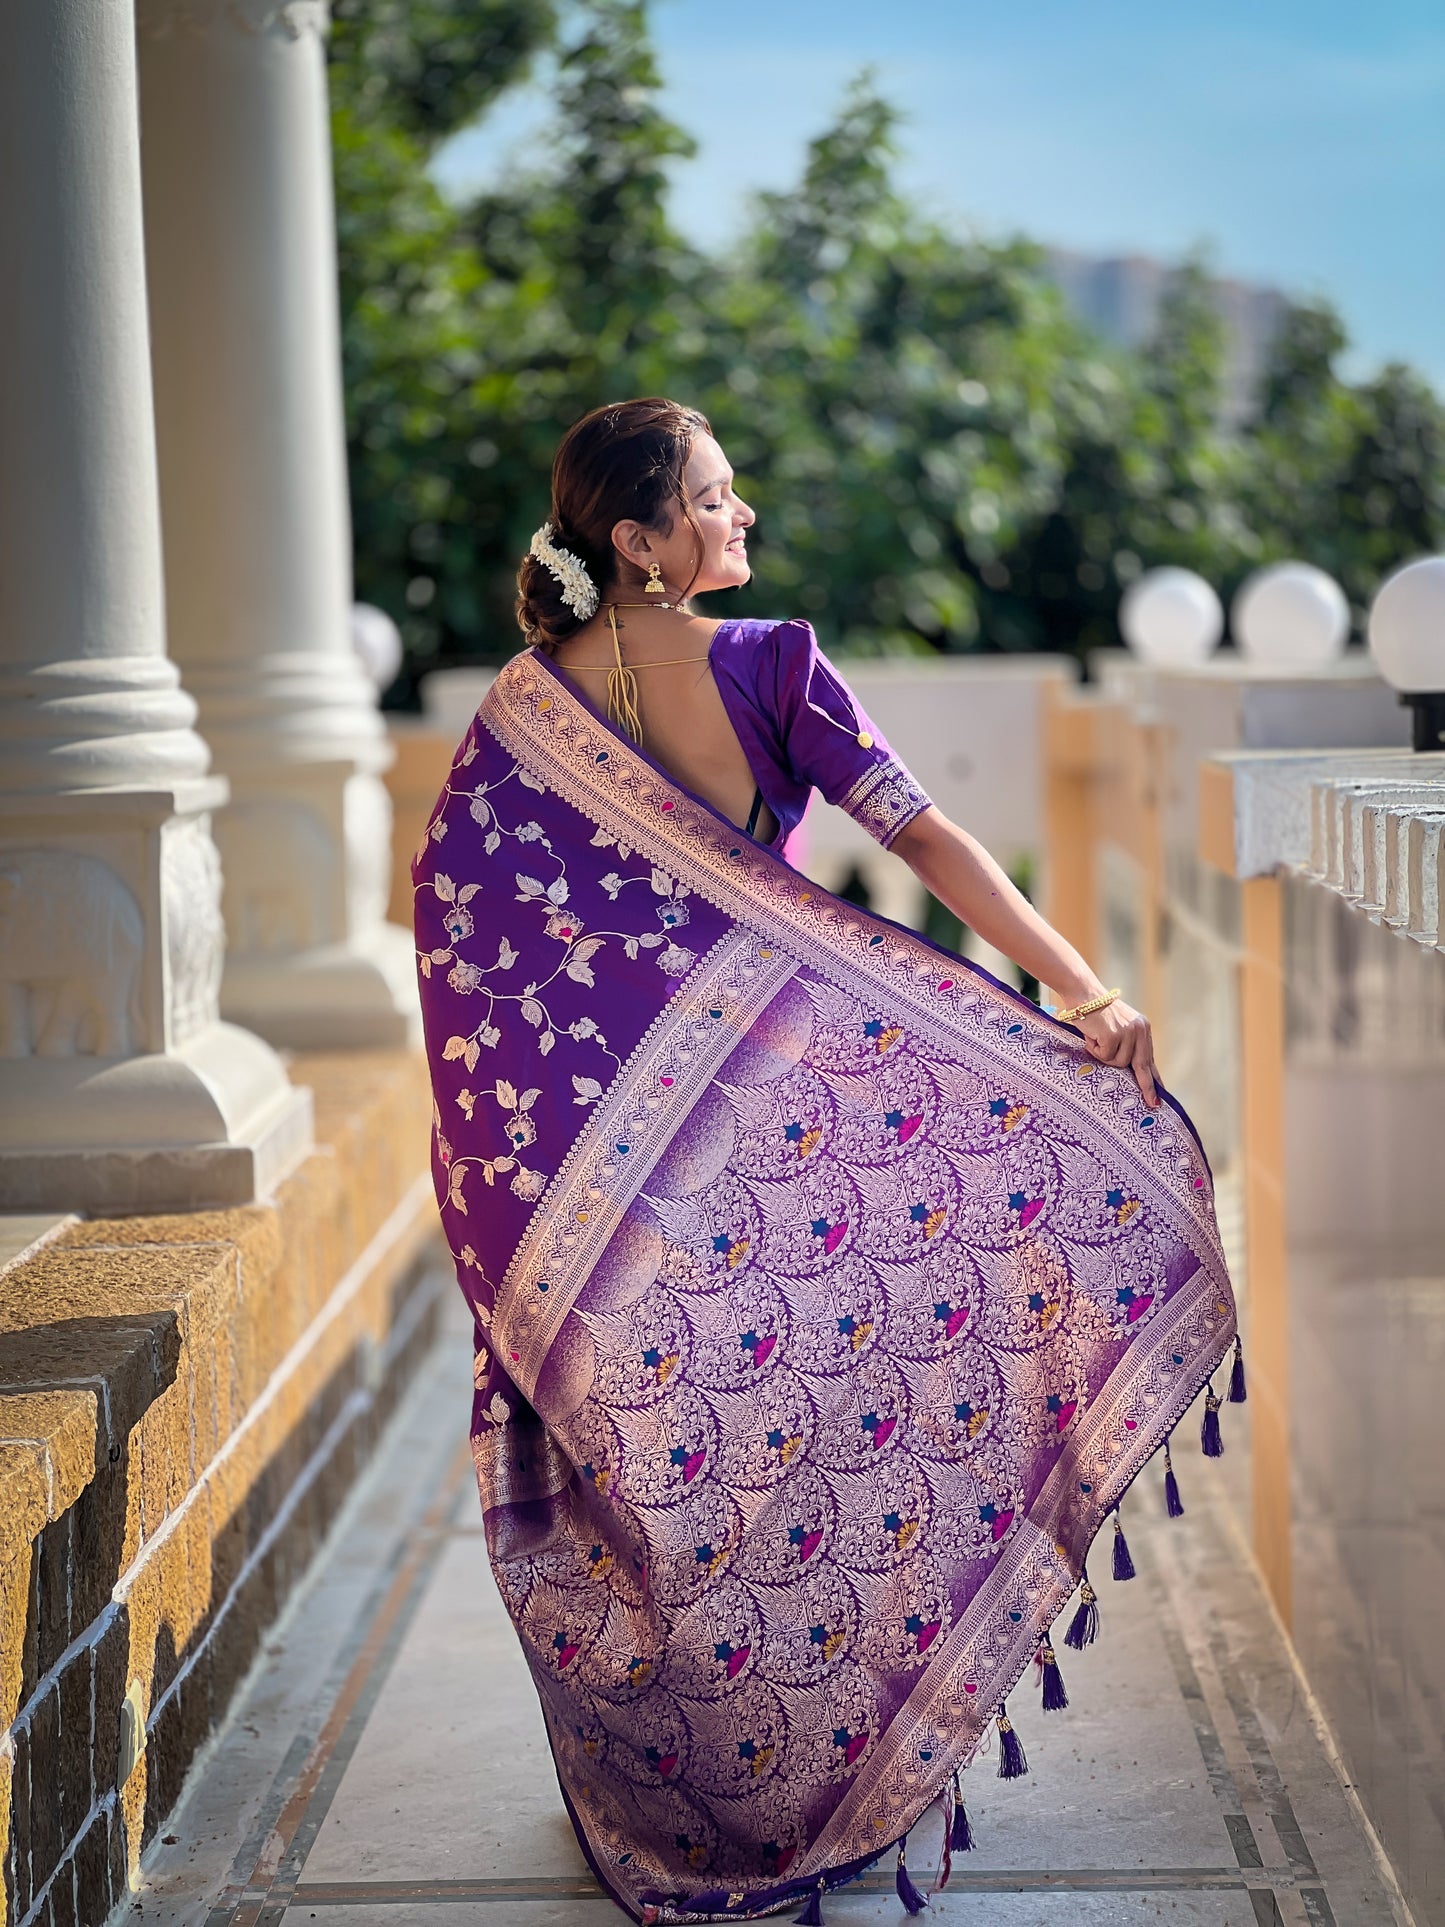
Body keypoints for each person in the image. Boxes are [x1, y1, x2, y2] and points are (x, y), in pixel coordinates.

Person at [413, 399, 1235, 1925]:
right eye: (714, 503)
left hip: (622, 1193)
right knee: (806, 1439)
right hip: (780, 1161)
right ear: (637, 543)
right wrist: (1083, 991)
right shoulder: (772, 664)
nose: (743, 523)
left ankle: (705, 1788)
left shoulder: (525, 710)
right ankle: (806, 1767)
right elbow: (927, 846)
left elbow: (465, 929)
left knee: (678, 1464)